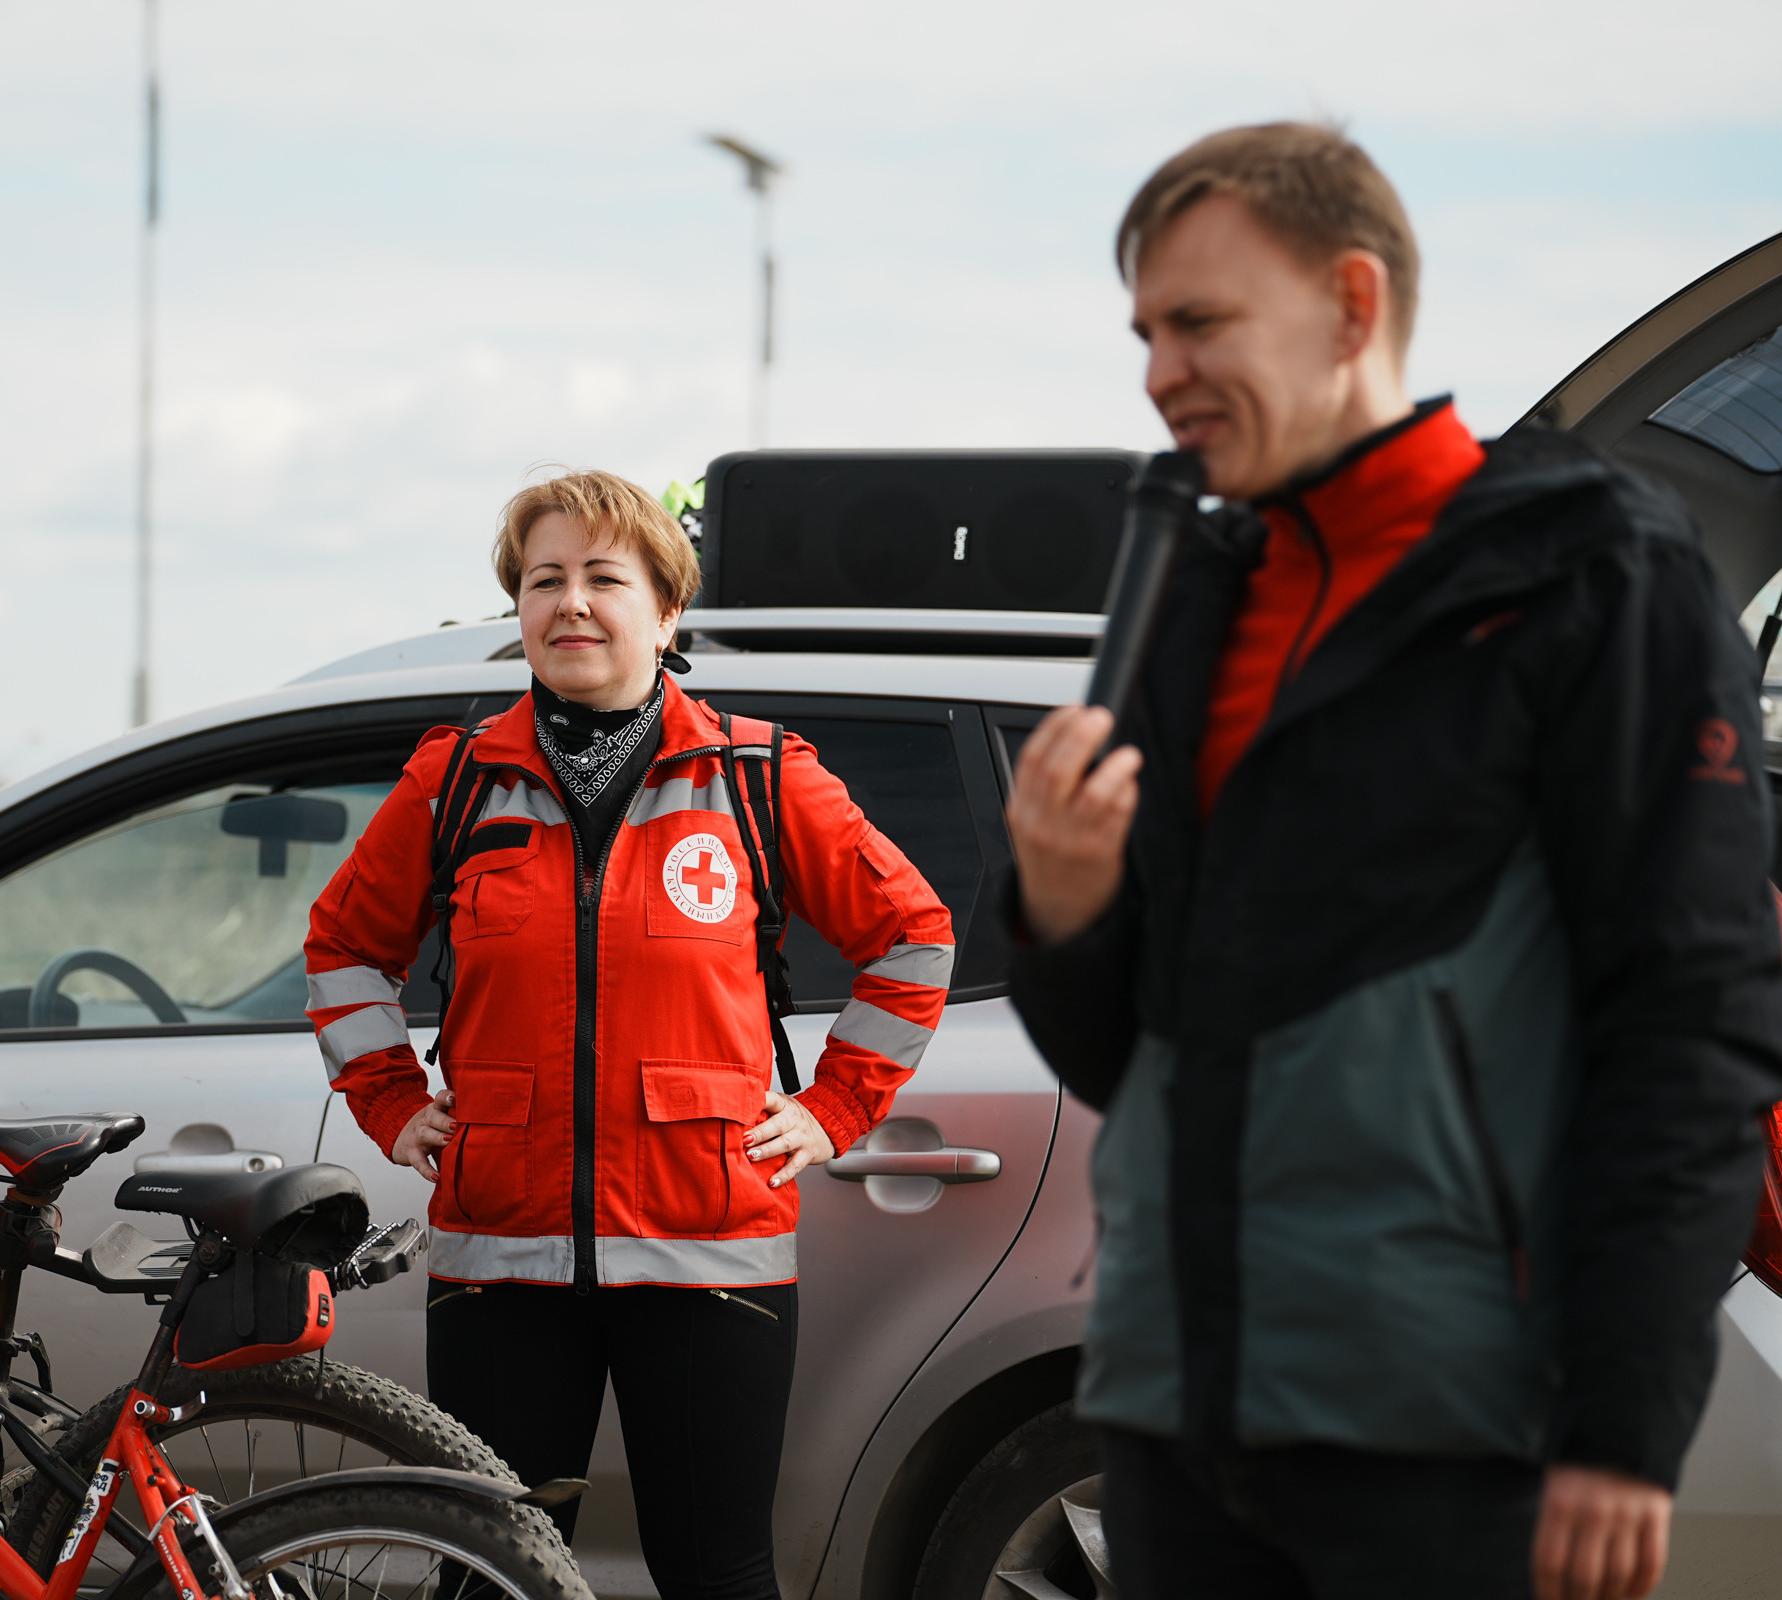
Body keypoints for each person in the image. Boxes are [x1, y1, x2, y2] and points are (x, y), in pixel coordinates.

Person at [1001, 123, 1782, 1600]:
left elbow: (1690, 1020)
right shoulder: (1194, 597)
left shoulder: (1588, 570)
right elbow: (1128, 1052)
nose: (1160, 370)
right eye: (1146, 333)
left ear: (1353, 304)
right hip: (1181, 1397)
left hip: (1461, 1411)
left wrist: (1624, 1419)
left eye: (1201, 322)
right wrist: (1058, 903)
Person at [304, 468, 954, 1600]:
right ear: (518, 612)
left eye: (606, 578)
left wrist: (837, 1105)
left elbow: (913, 937)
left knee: (714, 1574)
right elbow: (342, 946)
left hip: (711, 1257)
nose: (572, 604)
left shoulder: (759, 774)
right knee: (488, 1574)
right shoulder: (454, 779)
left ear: (666, 610)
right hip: (501, 1258)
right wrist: (393, 1103)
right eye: (544, 579)